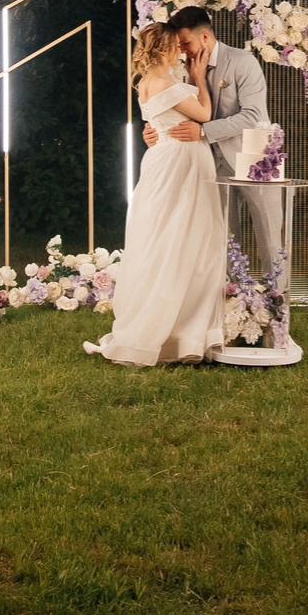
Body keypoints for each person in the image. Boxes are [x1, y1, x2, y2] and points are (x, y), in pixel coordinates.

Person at [88, 22, 228, 365]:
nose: (181, 52)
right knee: (188, 238)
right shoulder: (171, 84)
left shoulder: (144, 85)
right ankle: (182, 330)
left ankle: (177, 327)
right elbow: (206, 115)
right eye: (176, 47)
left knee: (161, 235)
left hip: (161, 158)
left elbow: (159, 122)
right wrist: (198, 81)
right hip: (183, 162)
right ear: (164, 49)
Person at [144, 6, 282, 279]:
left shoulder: (242, 62)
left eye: (186, 44)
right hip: (207, 166)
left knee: (270, 237)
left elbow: (253, 115)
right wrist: (153, 129)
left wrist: (205, 131)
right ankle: (232, 298)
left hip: (254, 160)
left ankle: (277, 301)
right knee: (224, 239)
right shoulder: (179, 71)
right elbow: (168, 106)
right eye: (178, 46)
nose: (182, 51)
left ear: (205, 37)